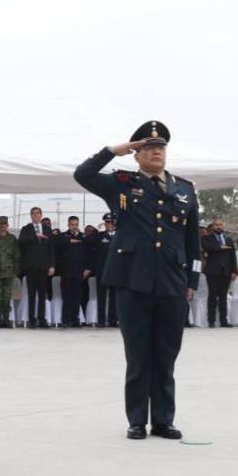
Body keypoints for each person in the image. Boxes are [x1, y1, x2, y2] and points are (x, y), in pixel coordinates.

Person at [74, 120, 198, 441]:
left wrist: (192, 281)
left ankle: (163, 420)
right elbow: (82, 174)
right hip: (133, 281)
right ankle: (137, 420)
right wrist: (113, 151)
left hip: (172, 282)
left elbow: (191, 240)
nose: (156, 152)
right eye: (148, 148)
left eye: (160, 148)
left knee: (166, 354)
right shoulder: (121, 183)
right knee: (138, 354)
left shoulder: (185, 189)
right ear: (136, 154)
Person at [19, 207, 55, 327]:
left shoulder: (47, 229)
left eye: (37, 213)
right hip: (31, 267)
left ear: (41, 215)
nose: (35, 215)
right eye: (33, 214)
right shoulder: (26, 229)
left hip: (44, 267)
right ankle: (31, 319)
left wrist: (52, 266)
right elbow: (21, 243)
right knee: (31, 294)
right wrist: (35, 237)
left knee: (42, 294)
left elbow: (51, 249)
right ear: (30, 215)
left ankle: (42, 318)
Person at [200, 217, 238, 327]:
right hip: (212, 271)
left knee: (223, 297)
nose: (219, 227)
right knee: (212, 296)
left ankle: (224, 321)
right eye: (216, 225)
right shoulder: (206, 238)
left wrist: (234, 271)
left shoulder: (228, 239)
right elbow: (207, 247)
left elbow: (232, 256)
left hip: (226, 272)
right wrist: (220, 247)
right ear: (212, 226)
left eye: (220, 225)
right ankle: (211, 321)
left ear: (223, 226)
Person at [56, 215, 90, 327]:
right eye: (72, 225)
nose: (74, 227)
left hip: (79, 271)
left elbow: (88, 253)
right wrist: (69, 241)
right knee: (66, 296)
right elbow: (57, 246)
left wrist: (87, 268)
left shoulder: (83, 237)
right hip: (66, 271)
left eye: (76, 224)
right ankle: (65, 320)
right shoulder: (63, 236)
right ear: (68, 225)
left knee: (77, 296)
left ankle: (75, 320)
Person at [91, 213, 119, 327]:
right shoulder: (99, 236)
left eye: (112, 222)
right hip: (102, 271)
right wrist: (97, 229)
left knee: (114, 298)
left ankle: (113, 320)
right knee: (101, 297)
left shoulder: (120, 236)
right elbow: (88, 240)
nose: (110, 225)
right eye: (107, 223)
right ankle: (101, 321)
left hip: (116, 272)